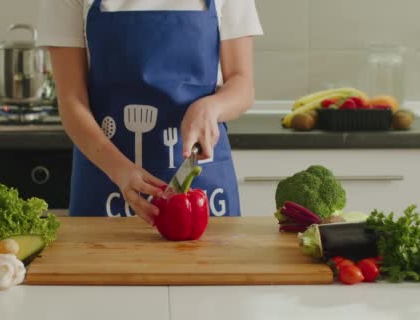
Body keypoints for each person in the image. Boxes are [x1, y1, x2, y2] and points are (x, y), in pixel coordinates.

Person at [37, 0, 263, 225]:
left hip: (203, 189)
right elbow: (71, 100)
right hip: (106, 183)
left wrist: (210, 107)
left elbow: (242, 84)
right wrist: (119, 170)